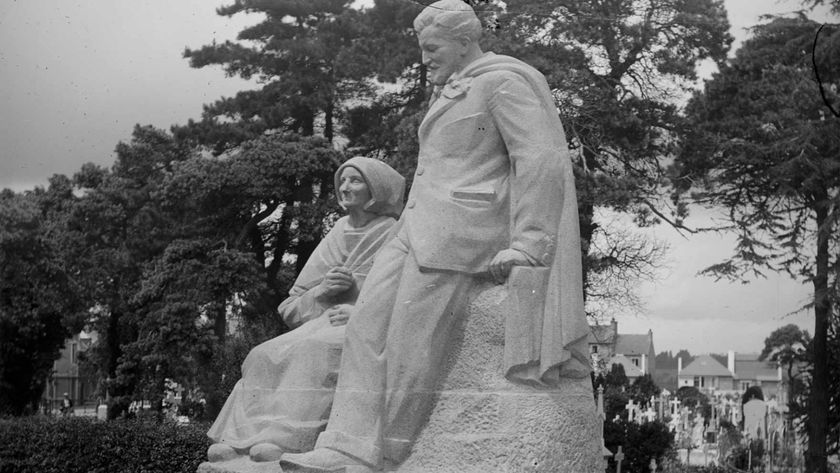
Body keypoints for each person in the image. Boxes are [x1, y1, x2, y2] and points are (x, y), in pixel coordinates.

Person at [280, 1, 590, 471]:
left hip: (467, 233)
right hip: (415, 226)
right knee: (365, 326)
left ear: (465, 41)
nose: (424, 59)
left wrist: (527, 242)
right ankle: (342, 446)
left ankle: (382, 452)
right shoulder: (449, 92)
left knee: (410, 338)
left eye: (432, 47)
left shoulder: (502, 82)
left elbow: (540, 160)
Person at [206, 156, 405, 463]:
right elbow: (291, 309)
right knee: (262, 355)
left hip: (363, 327)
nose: (345, 187)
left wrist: (359, 309)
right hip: (322, 322)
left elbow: (405, 294)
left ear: (376, 189)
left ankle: (285, 440)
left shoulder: (393, 233)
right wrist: (323, 292)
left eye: (355, 180)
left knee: (315, 350)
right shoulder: (338, 231)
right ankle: (240, 441)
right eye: (342, 181)